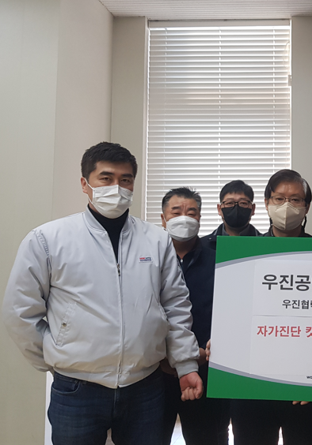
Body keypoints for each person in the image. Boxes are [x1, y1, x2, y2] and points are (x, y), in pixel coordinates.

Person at [2, 142, 202, 445]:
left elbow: (175, 305)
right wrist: (56, 356)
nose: (116, 188)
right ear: (85, 184)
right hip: (77, 391)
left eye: (125, 180)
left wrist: (185, 364)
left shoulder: (156, 240)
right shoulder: (48, 239)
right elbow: (20, 311)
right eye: (106, 178)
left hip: (144, 387)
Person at [229, 169, 312, 445]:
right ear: (266, 203)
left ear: (306, 207)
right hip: (253, 383)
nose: (287, 206)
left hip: (305, 386)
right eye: (279, 199)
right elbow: (232, 312)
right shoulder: (243, 254)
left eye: (296, 199)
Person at [160, 188, 230, 445]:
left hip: (207, 369)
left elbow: (230, 313)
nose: (184, 218)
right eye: (176, 212)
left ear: (200, 218)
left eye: (192, 212)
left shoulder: (220, 260)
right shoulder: (148, 261)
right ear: (163, 218)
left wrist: (202, 353)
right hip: (155, 373)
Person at [201, 180, 261, 250]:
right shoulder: (202, 246)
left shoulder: (266, 245)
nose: (236, 208)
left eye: (243, 203)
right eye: (229, 203)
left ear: (253, 209)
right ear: (219, 209)